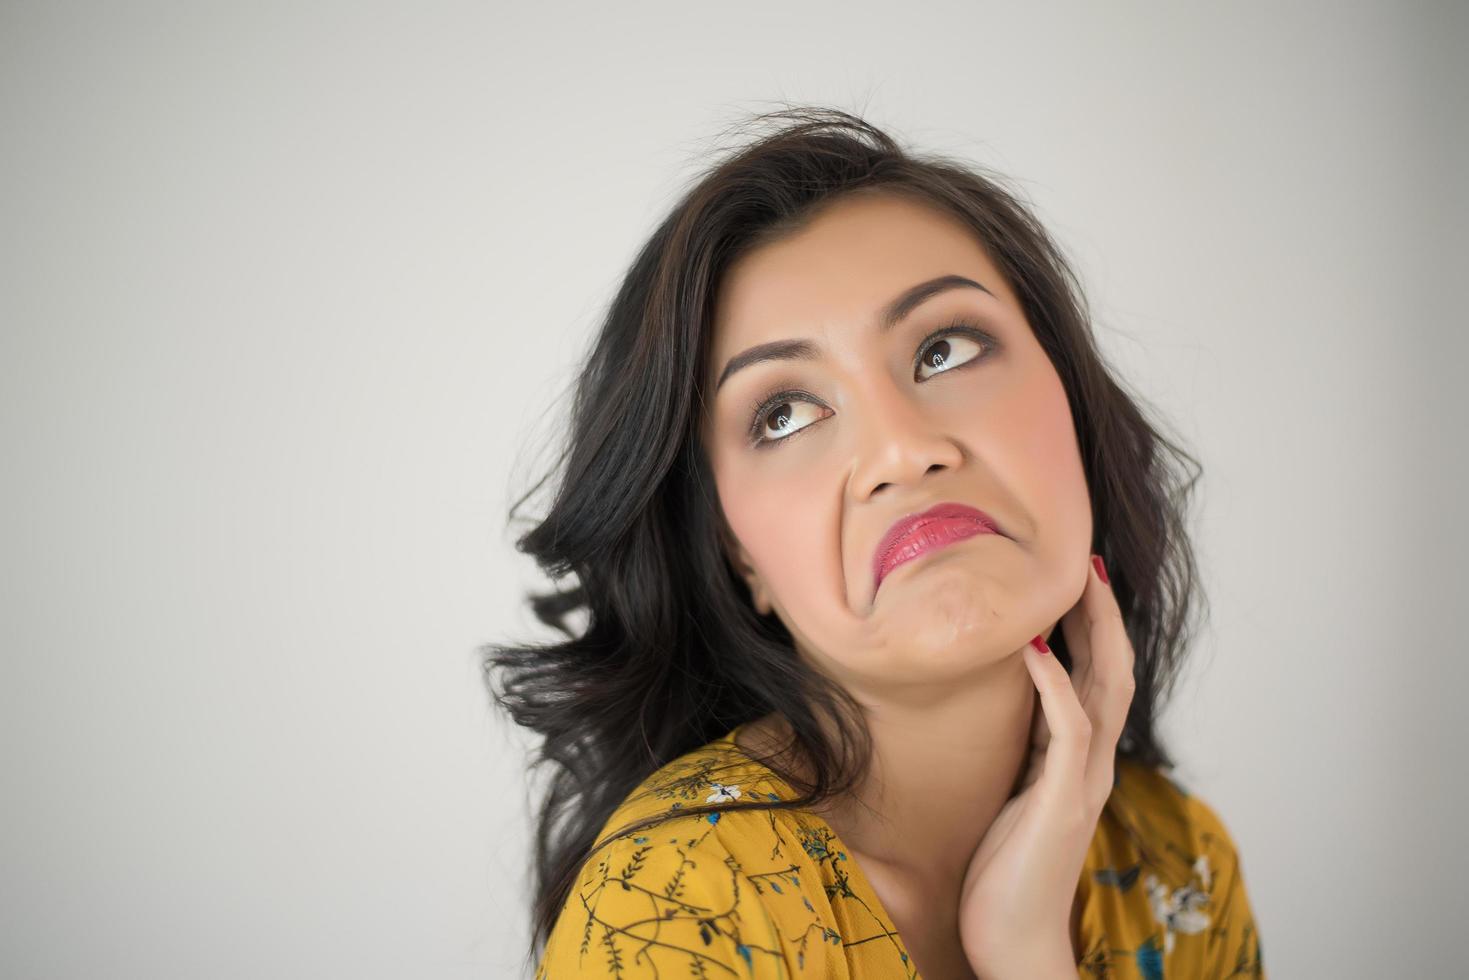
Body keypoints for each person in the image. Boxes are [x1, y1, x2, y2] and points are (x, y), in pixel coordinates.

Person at [484, 106, 1265, 979]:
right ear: (738, 554)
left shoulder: (1175, 866)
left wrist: (1026, 948)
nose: (900, 451)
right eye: (783, 414)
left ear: (1074, 401)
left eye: (943, 349)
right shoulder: (668, 906)